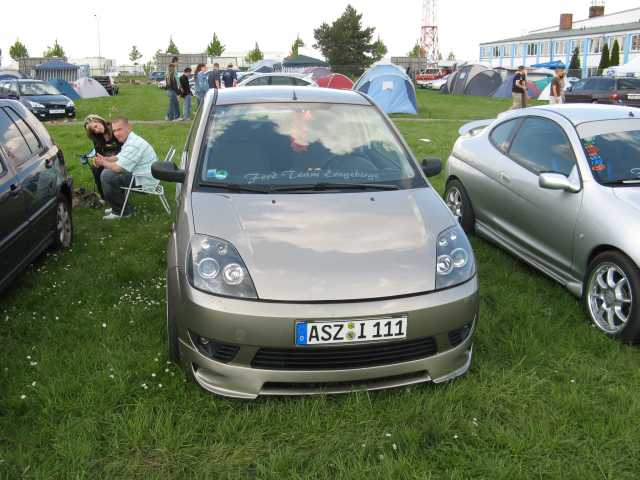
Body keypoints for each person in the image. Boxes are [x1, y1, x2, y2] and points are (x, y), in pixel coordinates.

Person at [93, 117, 158, 219]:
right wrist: (106, 159)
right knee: (108, 172)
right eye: (114, 130)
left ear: (129, 128)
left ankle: (121, 212)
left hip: (145, 182)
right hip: (143, 175)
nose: (116, 134)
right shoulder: (131, 139)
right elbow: (120, 157)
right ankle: (118, 206)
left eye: (120, 129)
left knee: (107, 175)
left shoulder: (134, 144)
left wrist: (102, 162)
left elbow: (118, 168)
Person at [83, 114, 122, 201]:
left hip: (119, 156)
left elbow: (124, 148)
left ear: (99, 120)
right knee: (95, 168)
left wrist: (109, 160)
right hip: (106, 157)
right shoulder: (96, 137)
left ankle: (118, 192)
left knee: (108, 170)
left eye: (96, 126)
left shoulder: (114, 129)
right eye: (94, 131)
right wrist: (97, 160)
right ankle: (104, 196)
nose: (97, 130)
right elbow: (99, 152)